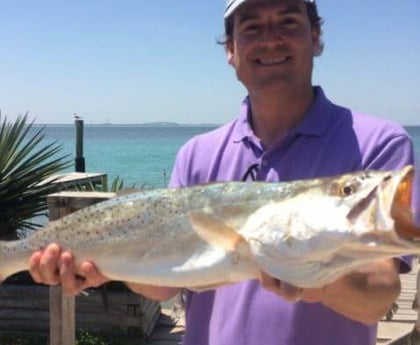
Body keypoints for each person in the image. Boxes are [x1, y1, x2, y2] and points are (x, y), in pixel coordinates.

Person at [29, 0, 416, 344]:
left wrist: (314, 277)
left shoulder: (377, 144)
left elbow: (379, 294)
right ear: (231, 50)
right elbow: (162, 286)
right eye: (251, 28)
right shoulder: (197, 153)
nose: (271, 39)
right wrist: (102, 267)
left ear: (315, 37)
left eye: (288, 21)